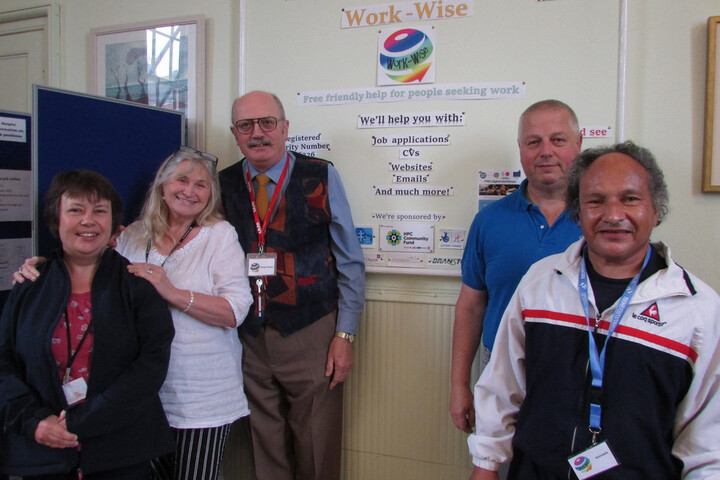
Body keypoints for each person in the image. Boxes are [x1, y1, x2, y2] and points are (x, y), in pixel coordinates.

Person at [468, 142, 720, 479]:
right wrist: (486, 465)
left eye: (630, 199)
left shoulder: (697, 310)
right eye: (595, 201)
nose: (613, 215)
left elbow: (708, 445)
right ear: (578, 212)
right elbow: (502, 386)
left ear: (656, 210)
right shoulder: (540, 282)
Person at [15, 148, 254, 480]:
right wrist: (43, 268)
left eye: (201, 185)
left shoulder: (220, 235)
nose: (190, 191)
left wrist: (171, 291)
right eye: (182, 180)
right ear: (162, 185)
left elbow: (235, 311)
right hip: (138, 400)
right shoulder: (132, 234)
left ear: (210, 195)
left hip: (198, 396)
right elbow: (86, 260)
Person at [219, 90, 365, 480]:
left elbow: (350, 261)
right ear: (235, 134)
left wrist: (345, 335)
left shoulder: (320, 175)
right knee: (264, 444)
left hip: (312, 330)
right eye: (246, 125)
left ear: (285, 128)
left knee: (316, 443)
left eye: (267, 123)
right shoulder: (223, 184)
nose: (257, 133)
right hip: (248, 336)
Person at [0, 169, 175, 479]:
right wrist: (34, 422)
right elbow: (4, 364)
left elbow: (151, 367)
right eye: (75, 210)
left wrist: (82, 421)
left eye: (99, 211)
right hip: (43, 452)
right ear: (56, 219)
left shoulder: (137, 288)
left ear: (114, 224)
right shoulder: (29, 287)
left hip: (120, 453)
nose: (88, 220)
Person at [450, 100, 584, 434]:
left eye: (558, 140)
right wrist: (459, 385)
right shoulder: (489, 221)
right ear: (521, 149)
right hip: (499, 373)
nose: (546, 151)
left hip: (579, 375)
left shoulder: (600, 221)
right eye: (534, 141)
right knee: (496, 459)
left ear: (578, 143)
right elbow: (471, 306)